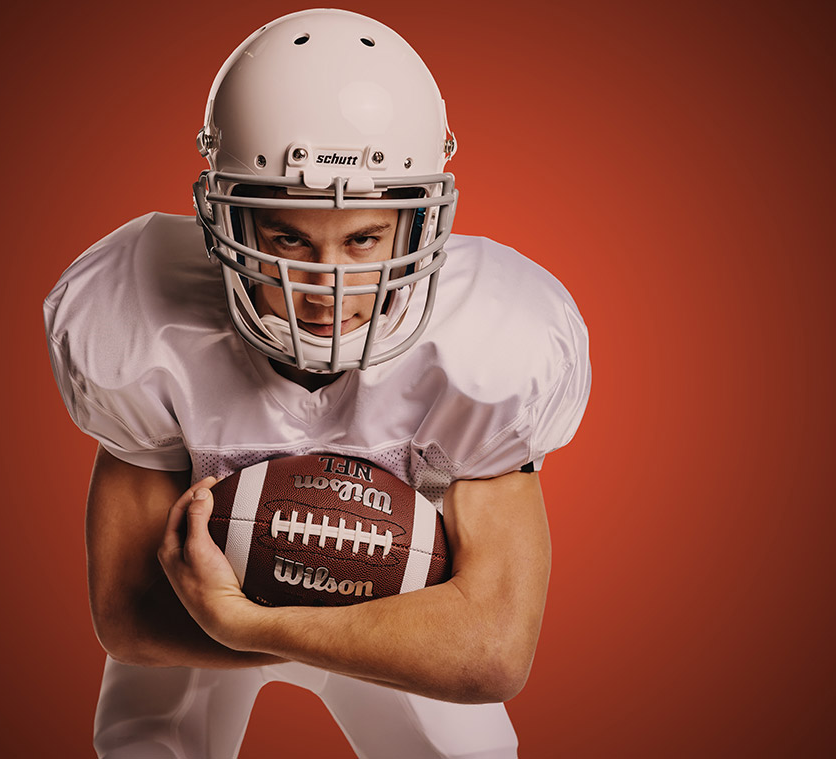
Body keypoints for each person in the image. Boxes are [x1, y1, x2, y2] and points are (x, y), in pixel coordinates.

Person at [43, 9, 590, 758]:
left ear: (417, 224)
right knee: (145, 743)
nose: (326, 282)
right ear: (226, 218)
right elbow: (131, 614)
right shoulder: (144, 313)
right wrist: (284, 620)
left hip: (346, 608)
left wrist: (250, 620)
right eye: (288, 235)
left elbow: (492, 650)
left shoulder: (490, 340)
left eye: (363, 237)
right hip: (211, 610)